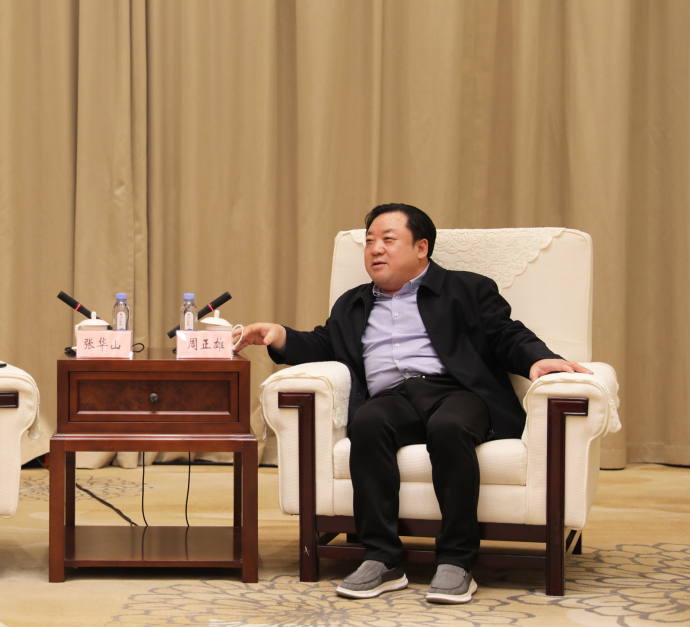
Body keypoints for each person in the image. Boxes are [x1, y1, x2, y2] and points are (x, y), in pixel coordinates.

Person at [235, 204, 590, 604]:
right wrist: (281, 335)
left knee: (449, 428)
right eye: (370, 241)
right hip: (393, 398)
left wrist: (537, 359)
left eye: (388, 240)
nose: (375, 249)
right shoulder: (353, 304)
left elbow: (506, 334)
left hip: (457, 392)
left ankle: (456, 560)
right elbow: (324, 343)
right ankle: (382, 558)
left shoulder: (467, 289)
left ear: (422, 248)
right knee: (367, 423)